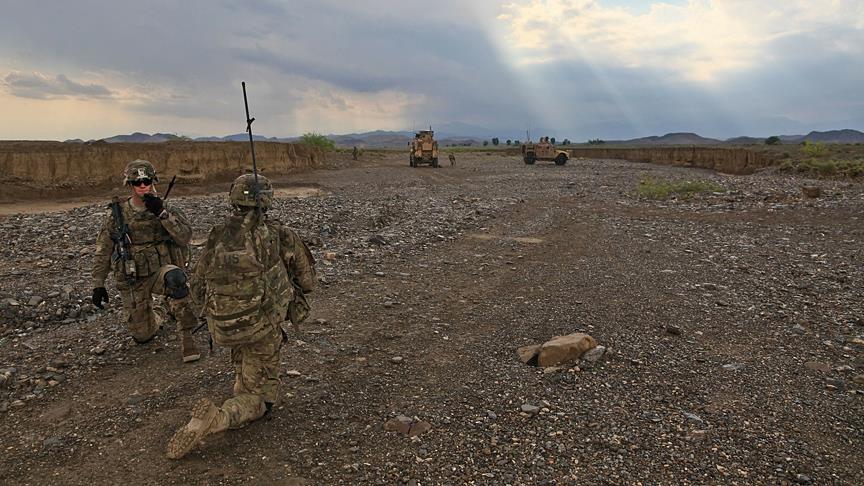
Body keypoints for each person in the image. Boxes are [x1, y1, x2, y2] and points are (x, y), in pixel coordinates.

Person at [166, 173, 316, 460]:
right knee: (262, 399)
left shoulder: (217, 235)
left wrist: (221, 311)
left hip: (224, 326)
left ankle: (243, 384)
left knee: (245, 361)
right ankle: (219, 418)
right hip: (262, 326)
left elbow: (196, 285)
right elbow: (307, 282)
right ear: (267, 202)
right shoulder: (279, 234)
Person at [91, 159, 200, 363]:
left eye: (146, 181)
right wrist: (98, 284)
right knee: (143, 336)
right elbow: (103, 250)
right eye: (137, 182)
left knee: (176, 279)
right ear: (130, 185)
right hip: (133, 279)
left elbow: (184, 237)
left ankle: (187, 338)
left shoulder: (165, 209)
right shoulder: (118, 215)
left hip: (161, 272)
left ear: (153, 181)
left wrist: (162, 214)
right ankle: (159, 309)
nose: (142, 186)